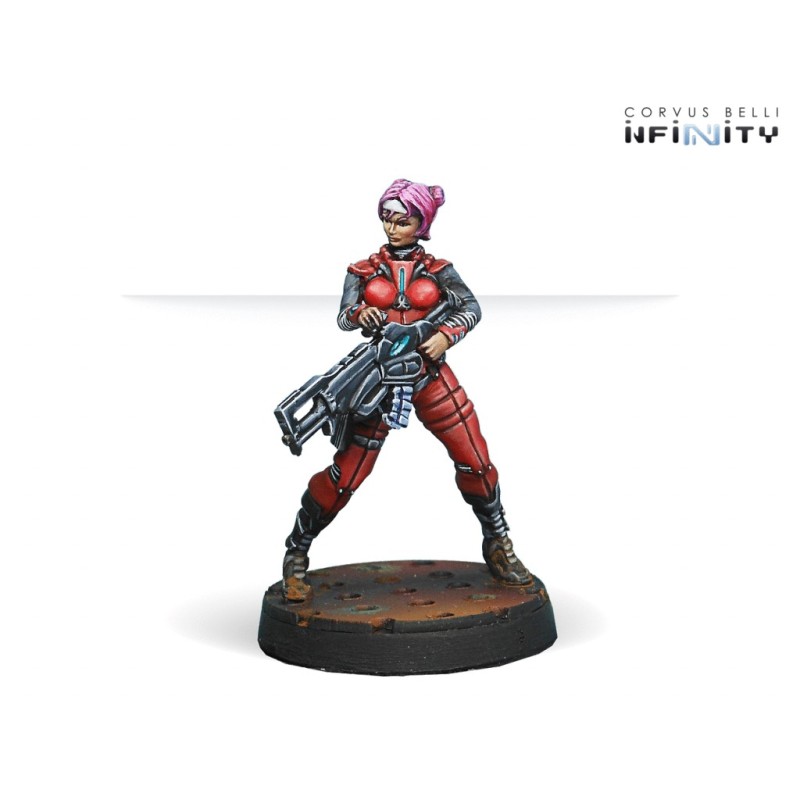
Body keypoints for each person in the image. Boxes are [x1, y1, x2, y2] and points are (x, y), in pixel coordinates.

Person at [281, 178, 532, 600]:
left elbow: (470, 307)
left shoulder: (438, 270)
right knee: (346, 476)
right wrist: (361, 315)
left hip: (428, 373)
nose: (392, 228)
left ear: (421, 224)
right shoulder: (362, 270)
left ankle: (498, 541)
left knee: (475, 461)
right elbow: (344, 315)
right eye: (387, 218)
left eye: (403, 221)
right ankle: (297, 551)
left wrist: (445, 335)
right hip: (378, 380)